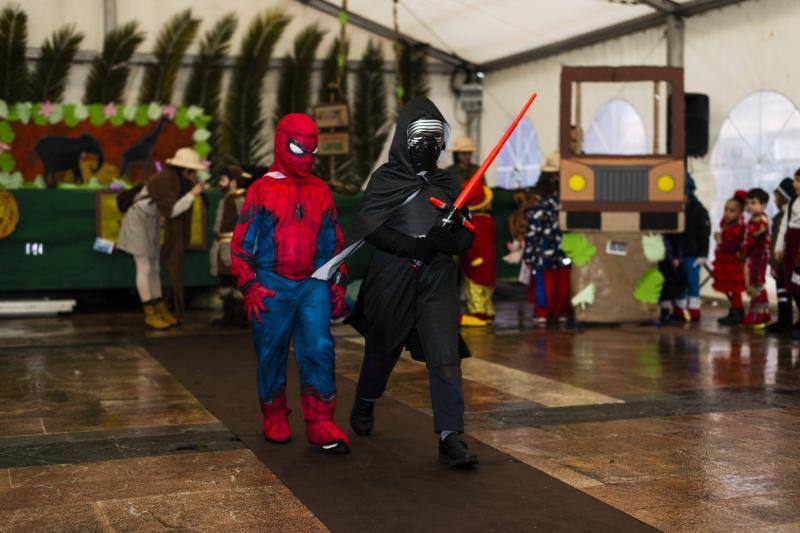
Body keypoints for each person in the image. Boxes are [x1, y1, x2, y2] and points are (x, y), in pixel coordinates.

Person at [335, 97, 477, 467]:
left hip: (437, 279)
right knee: (382, 353)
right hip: (393, 276)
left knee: (444, 356)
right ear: (403, 139)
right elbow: (372, 229)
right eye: (420, 137)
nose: (428, 145)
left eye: (435, 137)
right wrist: (414, 245)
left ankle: (451, 436)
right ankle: (366, 400)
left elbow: (465, 237)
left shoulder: (449, 183)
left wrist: (446, 239)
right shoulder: (385, 179)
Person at [230, 113, 349, 454]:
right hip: (271, 280)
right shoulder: (262, 189)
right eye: (299, 149)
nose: (307, 158)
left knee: (319, 348)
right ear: (283, 144)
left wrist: (336, 283)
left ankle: (320, 420)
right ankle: (274, 412)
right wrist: (250, 284)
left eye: (313, 151)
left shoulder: (321, 190)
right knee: (271, 351)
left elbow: (333, 241)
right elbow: (240, 245)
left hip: (313, 281)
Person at [117, 147, 205, 329]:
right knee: (144, 267)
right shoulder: (164, 180)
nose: (195, 174)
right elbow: (173, 210)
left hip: (152, 221)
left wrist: (190, 192)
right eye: (193, 170)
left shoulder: (177, 179)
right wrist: (192, 195)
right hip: (138, 220)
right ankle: (150, 312)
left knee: (154, 268)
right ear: (185, 169)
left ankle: (160, 307)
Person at [446, 136, 496, 327]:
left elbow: (482, 194)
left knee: (478, 266)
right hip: (456, 222)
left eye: (468, 153)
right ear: (457, 155)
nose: (466, 157)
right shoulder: (449, 173)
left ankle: (479, 309)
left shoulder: (478, 170)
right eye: (463, 153)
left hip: (474, 219)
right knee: (454, 270)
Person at [523, 171, 571, 324]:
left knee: (544, 284)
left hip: (543, 256)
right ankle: (562, 312)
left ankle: (542, 313)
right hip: (565, 254)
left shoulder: (538, 210)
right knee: (563, 283)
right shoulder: (567, 208)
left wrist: (529, 257)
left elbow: (532, 236)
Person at [209, 165, 252, 328]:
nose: (221, 183)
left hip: (233, 247)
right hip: (222, 245)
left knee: (237, 280)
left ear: (233, 182)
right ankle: (228, 315)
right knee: (225, 279)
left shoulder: (238, 200)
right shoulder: (226, 199)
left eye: (224, 179)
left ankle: (239, 317)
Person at [665, 175, 712, 322]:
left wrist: (703, 253)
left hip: (693, 253)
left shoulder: (698, 211)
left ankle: (693, 311)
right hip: (680, 253)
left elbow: (704, 233)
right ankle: (680, 310)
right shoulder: (677, 210)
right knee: (680, 282)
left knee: (692, 282)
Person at [712, 190, 747, 325]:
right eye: (726, 209)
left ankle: (737, 313)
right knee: (733, 290)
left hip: (733, 262)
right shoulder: (728, 224)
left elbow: (731, 246)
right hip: (728, 260)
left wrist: (720, 240)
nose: (727, 213)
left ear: (739, 213)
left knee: (735, 289)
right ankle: (735, 311)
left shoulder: (738, 228)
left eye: (732, 211)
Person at [773, 169, 800, 338]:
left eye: (798, 180)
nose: (794, 184)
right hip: (791, 245)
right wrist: (779, 247)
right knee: (793, 286)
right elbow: (784, 226)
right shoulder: (793, 202)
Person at [767, 178, 797, 332]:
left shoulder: (786, 215)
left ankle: (786, 322)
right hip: (780, 264)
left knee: (786, 294)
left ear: (784, 197)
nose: (775, 200)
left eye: (777, 196)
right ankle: (784, 321)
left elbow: (783, 240)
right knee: (782, 295)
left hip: (784, 264)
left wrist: (778, 264)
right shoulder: (782, 214)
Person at [740, 188, 771, 328]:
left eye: (754, 203)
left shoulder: (761, 220)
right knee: (756, 286)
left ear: (763, 205)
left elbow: (756, 237)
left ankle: (757, 318)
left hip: (758, 258)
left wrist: (745, 251)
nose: (750, 206)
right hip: (752, 257)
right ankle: (763, 316)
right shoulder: (753, 219)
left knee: (756, 286)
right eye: (748, 203)